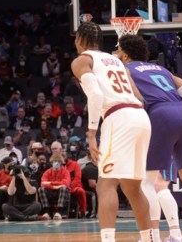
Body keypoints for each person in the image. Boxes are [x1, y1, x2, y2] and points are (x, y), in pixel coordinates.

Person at [117, 34, 182, 242]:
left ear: (125, 55)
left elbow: (136, 100)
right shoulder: (162, 69)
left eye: (119, 51)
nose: (117, 55)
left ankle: (152, 238)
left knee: (148, 182)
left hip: (159, 115)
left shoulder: (125, 69)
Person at [70, 21, 153, 242]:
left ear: (79, 40)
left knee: (106, 184)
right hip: (140, 118)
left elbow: (96, 96)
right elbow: (140, 99)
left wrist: (90, 134)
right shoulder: (117, 62)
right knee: (133, 188)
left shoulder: (82, 61)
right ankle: (149, 238)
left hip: (118, 118)